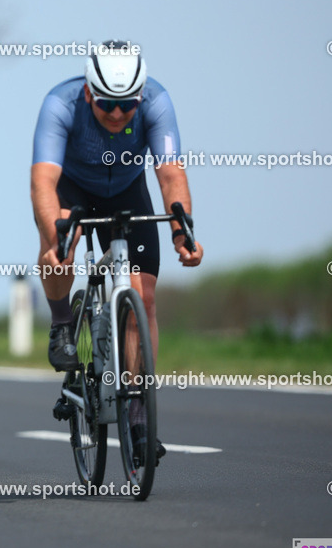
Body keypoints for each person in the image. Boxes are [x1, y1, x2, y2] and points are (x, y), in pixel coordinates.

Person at [30, 40, 204, 461]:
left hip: (127, 190)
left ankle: (139, 414)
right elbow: (43, 183)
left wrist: (183, 231)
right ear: (89, 92)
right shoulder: (61, 103)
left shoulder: (156, 101)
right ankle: (62, 324)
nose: (116, 114)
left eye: (127, 106)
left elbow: (169, 175)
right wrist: (55, 239)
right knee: (61, 252)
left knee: (143, 297)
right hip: (73, 189)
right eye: (107, 104)